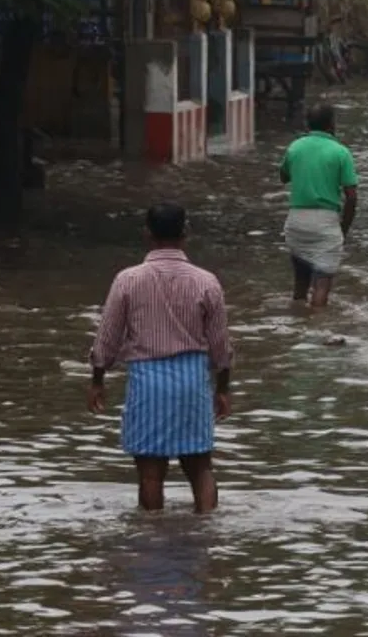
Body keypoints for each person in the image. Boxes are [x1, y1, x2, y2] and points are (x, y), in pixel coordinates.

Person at [88, 203, 233, 513]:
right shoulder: (206, 281)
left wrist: (98, 380)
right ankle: (207, 533)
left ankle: (151, 535)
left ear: (147, 233)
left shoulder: (128, 280)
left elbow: (108, 336)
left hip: (147, 381)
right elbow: (221, 344)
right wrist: (222, 387)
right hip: (192, 380)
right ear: (185, 233)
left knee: (151, 473)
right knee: (199, 466)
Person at [280, 104, 359, 308]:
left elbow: (283, 176)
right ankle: (317, 329)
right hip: (325, 223)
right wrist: (344, 229)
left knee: (300, 283)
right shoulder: (341, 152)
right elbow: (351, 197)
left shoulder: (294, 147)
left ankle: (296, 328)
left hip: (296, 222)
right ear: (332, 124)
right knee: (321, 286)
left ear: (308, 124)